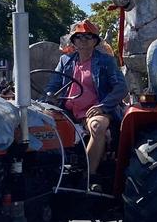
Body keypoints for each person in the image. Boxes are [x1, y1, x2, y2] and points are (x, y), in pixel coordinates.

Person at [46, 20, 128, 181]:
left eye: (88, 37)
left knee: (98, 126)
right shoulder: (65, 61)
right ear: (73, 41)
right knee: (38, 125)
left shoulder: (105, 61)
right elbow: (53, 85)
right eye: (79, 37)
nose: (83, 40)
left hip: (94, 110)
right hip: (68, 112)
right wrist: (51, 96)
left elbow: (121, 88)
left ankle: (89, 176)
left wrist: (102, 106)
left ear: (95, 41)